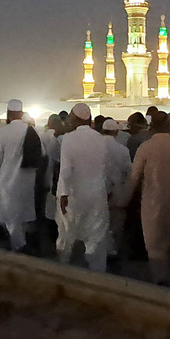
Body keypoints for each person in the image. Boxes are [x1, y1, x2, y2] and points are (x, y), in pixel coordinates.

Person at [129, 113, 170, 284]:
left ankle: (159, 280)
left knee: (155, 246)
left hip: (151, 202)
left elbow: (133, 178)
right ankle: (165, 279)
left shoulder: (145, 147)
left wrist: (123, 200)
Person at [56, 103, 111, 271]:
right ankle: (97, 271)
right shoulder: (100, 139)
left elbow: (66, 169)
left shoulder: (69, 138)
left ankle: (64, 267)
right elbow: (104, 168)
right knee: (96, 234)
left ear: (74, 118)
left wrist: (63, 193)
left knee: (67, 232)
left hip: (74, 193)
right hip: (97, 193)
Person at [0, 99, 38, 252]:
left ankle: (20, 246)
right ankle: (22, 243)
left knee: (10, 215)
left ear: (8, 114)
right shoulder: (31, 131)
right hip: (27, 180)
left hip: (8, 180)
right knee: (22, 214)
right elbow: (41, 154)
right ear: (21, 113)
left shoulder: (3, 132)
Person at [101, 118, 133, 264]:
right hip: (117, 190)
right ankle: (113, 251)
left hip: (98, 189)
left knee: (99, 221)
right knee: (116, 223)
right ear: (116, 132)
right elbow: (129, 171)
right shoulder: (122, 149)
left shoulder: (95, 147)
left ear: (102, 131)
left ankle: (101, 249)